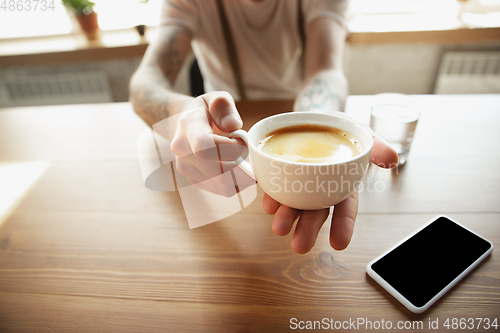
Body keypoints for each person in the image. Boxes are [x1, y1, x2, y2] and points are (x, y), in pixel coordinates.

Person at [129, 0, 398, 254]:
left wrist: (320, 119)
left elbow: (324, 69)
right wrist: (182, 115)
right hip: (227, 129)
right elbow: (145, 84)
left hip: (298, 111)